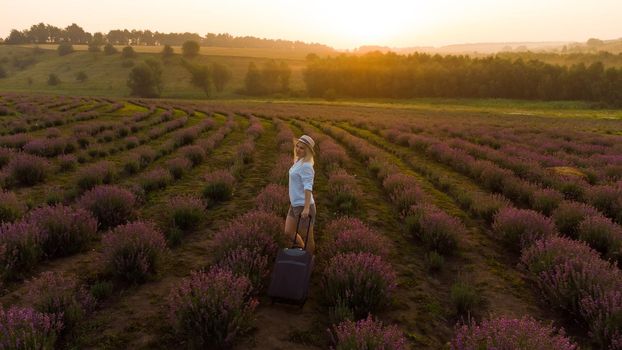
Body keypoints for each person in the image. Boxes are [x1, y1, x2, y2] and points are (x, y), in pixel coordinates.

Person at [285, 134, 316, 253]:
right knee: (288, 231)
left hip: (304, 206)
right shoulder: (299, 161)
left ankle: (308, 261)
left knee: (309, 237)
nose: (298, 149)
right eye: (297, 146)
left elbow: (308, 188)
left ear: (308, 150)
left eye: (302, 148)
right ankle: (302, 248)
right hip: (294, 204)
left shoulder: (307, 166)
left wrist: (307, 208)